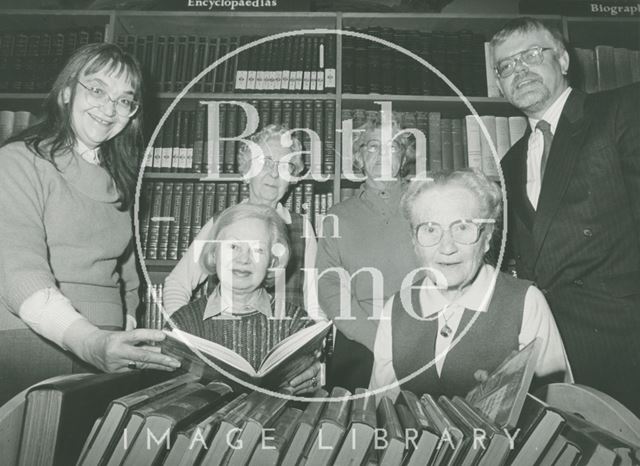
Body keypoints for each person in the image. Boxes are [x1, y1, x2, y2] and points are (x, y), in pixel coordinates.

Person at [0, 43, 180, 405]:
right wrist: (92, 342)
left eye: (124, 99)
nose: (109, 108)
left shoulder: (121, 181)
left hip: (108, 349)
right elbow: (18, 273)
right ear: (66, 92)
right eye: (97, 89)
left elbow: (128, 278)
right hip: (33, 342)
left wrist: (124, 333)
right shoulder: (18, 161)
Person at [491, 17, 640, 414]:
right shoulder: (509, 163)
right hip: (554, 352)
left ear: (563, 60)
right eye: (506, 66)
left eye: (532, 55)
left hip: (626, 341)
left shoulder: (622, 110)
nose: (519, 70)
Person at [370, 170, 571, 399]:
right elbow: (382, 413)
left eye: (463, 228)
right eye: (430, 229)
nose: (447, 247)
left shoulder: (527, 303)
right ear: (414, 241)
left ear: (486, 238)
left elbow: (555, 409)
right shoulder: (396, 309)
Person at [163, 124, 318, 317]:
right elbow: (177, 283)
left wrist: (309, 342)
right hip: (224, 339)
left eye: (285, 166)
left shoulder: (302, 228)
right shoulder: (221, 222)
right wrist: (185, 336)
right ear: (248, 170)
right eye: (266, 162)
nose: (275, 173)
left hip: (282, 341)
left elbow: (315, 303)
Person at [169, 203, 323, 394]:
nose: (244, 259)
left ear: (272, 262)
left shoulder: (299, 327)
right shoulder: (181, 324)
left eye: (258, 250)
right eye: (234, 246)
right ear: (214, 253)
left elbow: (314, 390)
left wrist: (317, 380)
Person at [315, 117, 419, 391]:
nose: (383, 155)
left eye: (392, 147)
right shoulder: (338, 216)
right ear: (359, 158)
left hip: (424, 341)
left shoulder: (426, 204)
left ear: (404, 156)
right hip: (360, 344)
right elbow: (329, 288)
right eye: (372, 147)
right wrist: (379, 341)